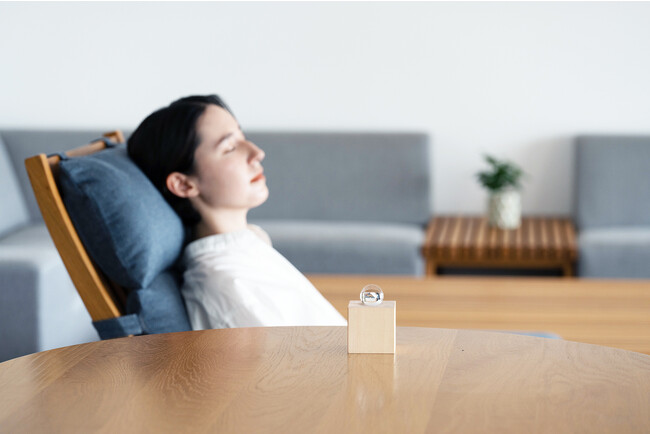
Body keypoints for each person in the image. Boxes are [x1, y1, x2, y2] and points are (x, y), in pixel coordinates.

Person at [128, 95, 346, 329]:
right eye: (230, 147)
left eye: (243, 137)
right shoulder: (228, 285)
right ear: (184, 184)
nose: (257, 153)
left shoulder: (248, 246)